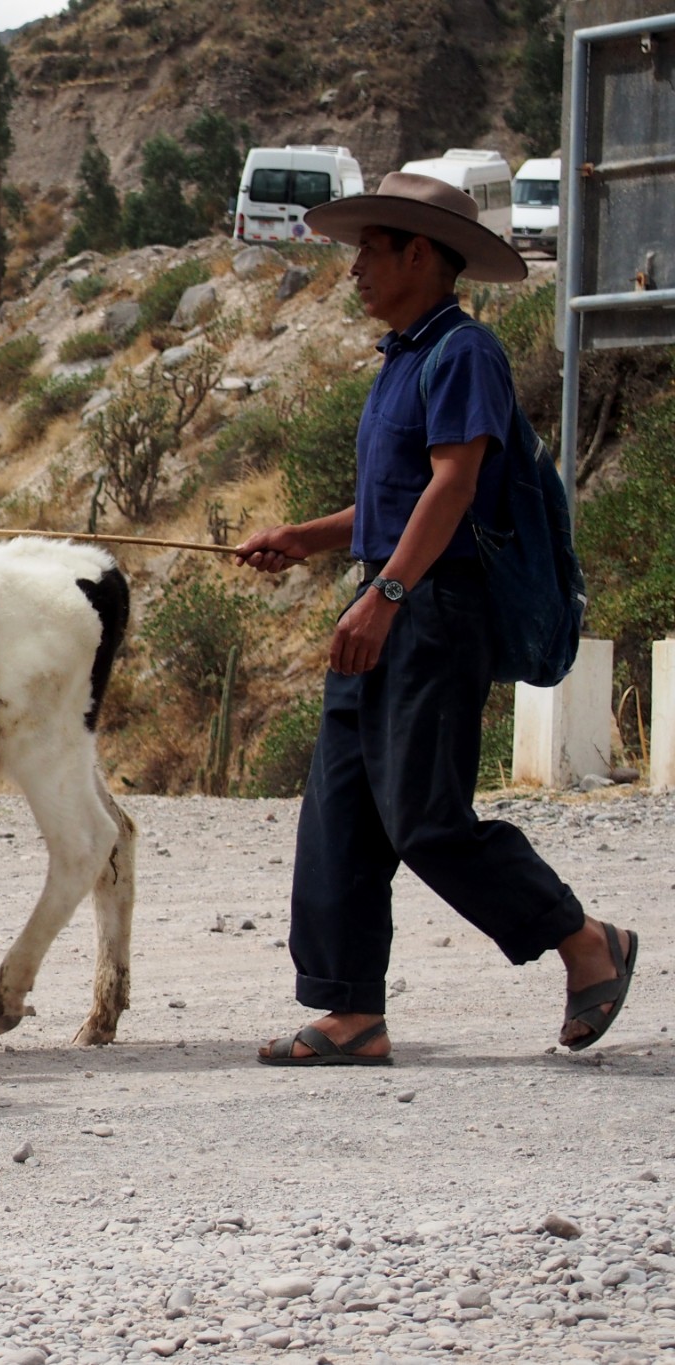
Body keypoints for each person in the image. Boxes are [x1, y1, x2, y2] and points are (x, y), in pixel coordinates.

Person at [233, 172, 638, 1066]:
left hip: (430, 610)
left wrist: (387, 595)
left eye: (369, 252)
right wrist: (305, 538)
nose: (355, 273)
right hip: (392, 596)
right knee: (340, 806)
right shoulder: (405, 358)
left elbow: (453, 487)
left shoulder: (464, 354)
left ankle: (586, 942)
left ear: (420, 253)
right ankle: (349, 1012)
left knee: (424, 816)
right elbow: (396, 503)